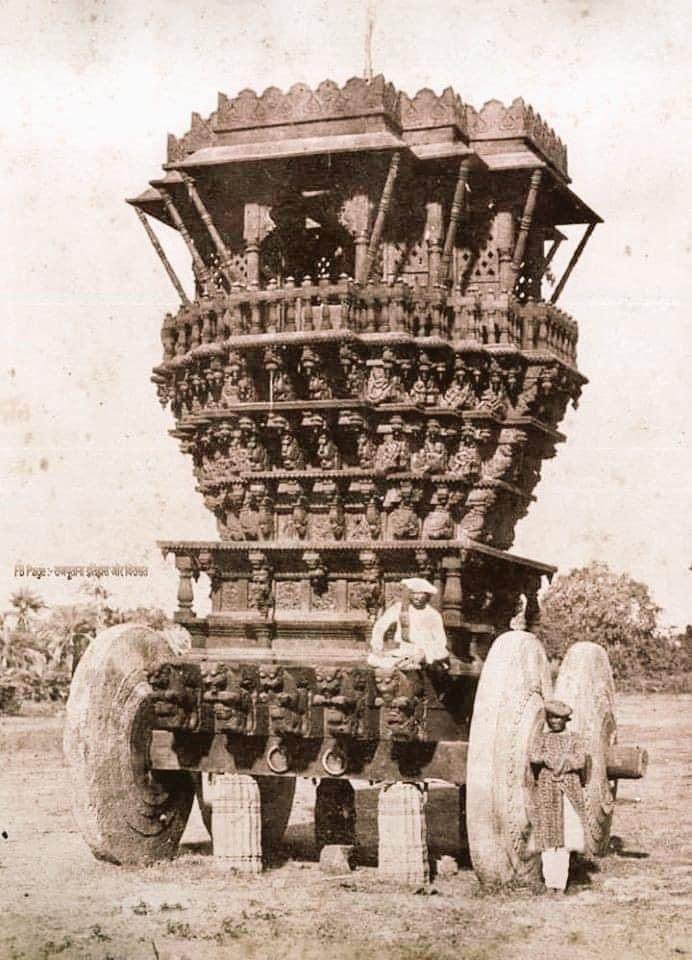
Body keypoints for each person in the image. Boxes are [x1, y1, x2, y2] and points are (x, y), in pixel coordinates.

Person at [530, 699, 588, 893]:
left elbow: (580, 761)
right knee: (548, 838)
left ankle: (560, 885)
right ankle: (549, 884)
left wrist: (562, 763)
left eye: (558, 718)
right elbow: (534, 756)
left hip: (568, 790)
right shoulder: (543, 738)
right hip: (547, 789)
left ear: (566, 720)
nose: (554, 722)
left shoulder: (575, 738)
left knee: (563, 839)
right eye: (551, 718)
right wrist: (551, 760)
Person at [367, 577, 449, 670]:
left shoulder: (433, 614)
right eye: (414, 593)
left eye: (421, 593)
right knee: (373, 659)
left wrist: (425, 653)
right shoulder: (399, 608)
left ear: (427, 595)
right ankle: (405, 663)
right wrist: (377, 647)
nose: (416, 597)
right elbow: (380, 626)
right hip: (405, 651)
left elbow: (441, 642)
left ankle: (413, 664)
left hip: (427, 651)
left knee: (441, 653)